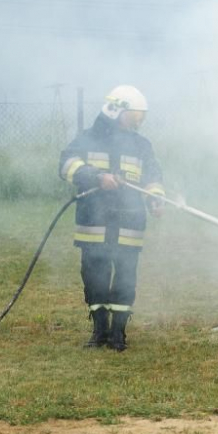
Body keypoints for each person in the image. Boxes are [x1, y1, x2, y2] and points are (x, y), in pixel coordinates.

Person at [58, 85, 164, 351]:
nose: (138, 122)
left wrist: (155, 198)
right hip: (94, 223)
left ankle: (118, 333)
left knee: (126, 277)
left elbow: (153, 177)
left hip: (129, 223)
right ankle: (99, 330)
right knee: (95, 276)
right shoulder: (86, 139)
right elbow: (66, 165)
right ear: (116, 110)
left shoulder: (141, 146)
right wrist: (96, 177)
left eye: (141, 117)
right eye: (134, 116)